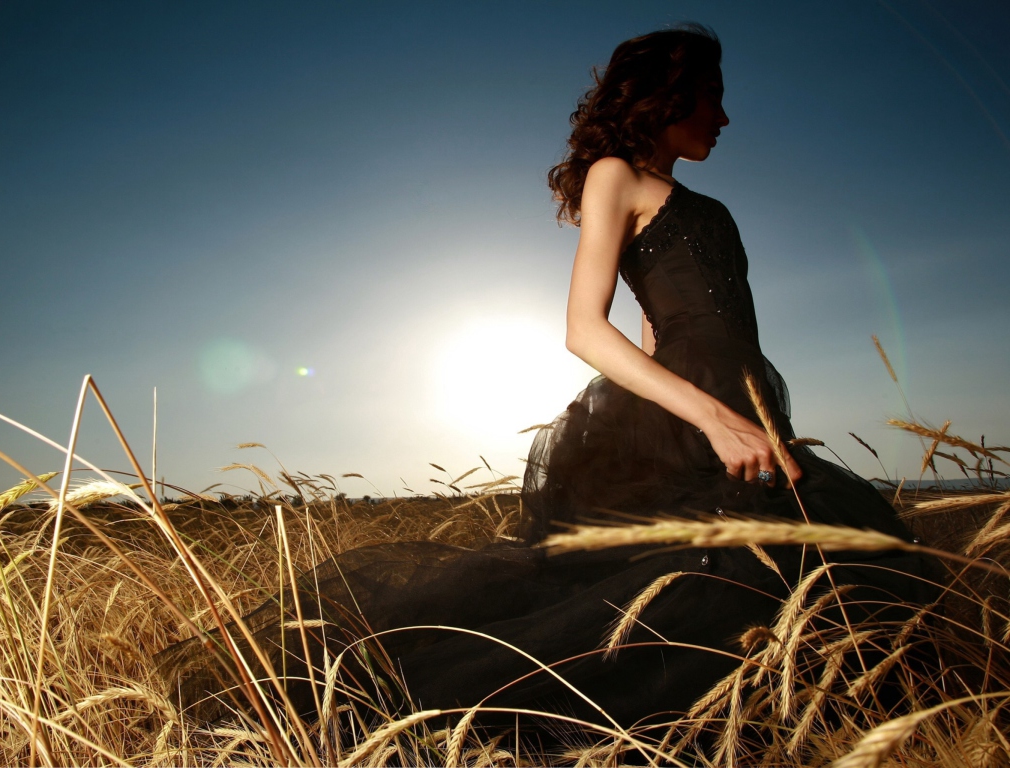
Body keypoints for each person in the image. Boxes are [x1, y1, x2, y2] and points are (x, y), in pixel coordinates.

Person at [157, 24, 936, 742]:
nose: (725, 116)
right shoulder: (614, 175)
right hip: (700, 413)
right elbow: (582, 329)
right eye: (713, 96)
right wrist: (708, 418)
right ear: (667, 95)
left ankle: (788, 726)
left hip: (728, 405)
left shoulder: (698, 203)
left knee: (828, 561)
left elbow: (656, 332)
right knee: (695, 584)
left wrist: (743, 415)